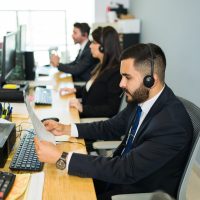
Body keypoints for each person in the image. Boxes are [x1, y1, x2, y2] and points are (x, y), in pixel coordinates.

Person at [34, 43, 193, 200]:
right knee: (56, 183)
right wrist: (66, 129)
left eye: (127, 77)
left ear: (151, 80)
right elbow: (110, 126)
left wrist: (61, 157)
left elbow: (125, 169)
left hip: (134, 191)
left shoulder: (172, 125)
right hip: (116, 176)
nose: (121, 84)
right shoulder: (142, 99)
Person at [60, 26, 122, 118]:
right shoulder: (101, 66)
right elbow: (91, 88)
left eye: (93, 42)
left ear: (103, 47)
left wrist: (83, 108)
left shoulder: (115, 72)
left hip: (94, 121)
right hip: (86, 112)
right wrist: (75, 90)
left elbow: (112, 109)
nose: (90, 45)